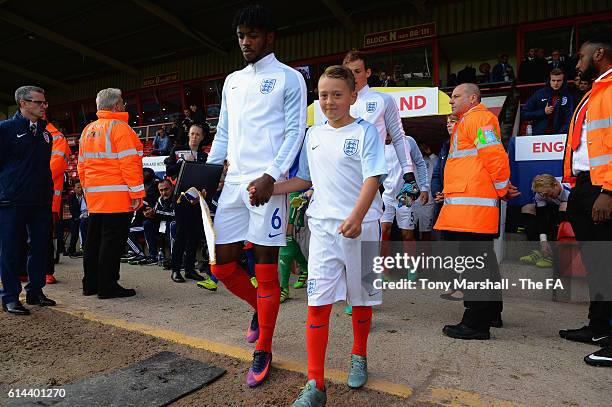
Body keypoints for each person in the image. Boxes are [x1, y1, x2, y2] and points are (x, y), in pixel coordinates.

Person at [272, 65, 387, 407]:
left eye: (337, 94)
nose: (329, 101)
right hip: (322, 229)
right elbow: (305, 180)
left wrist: (357, 215)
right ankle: (315, 385)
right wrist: (272, 189)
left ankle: (359, 354)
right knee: (317, 305)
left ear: (353, 96)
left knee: (361, 299)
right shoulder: (313, 135)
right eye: (323, 95)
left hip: (363, 229)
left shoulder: (366, 133)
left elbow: (373, 178)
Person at [206, 4, 307, 387]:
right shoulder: (232, 80)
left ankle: (263, 346)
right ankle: (260, 309)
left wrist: (272, 175)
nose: (245, 42)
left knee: (266, 273)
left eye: (252, 35)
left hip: (267, 186)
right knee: (222, 267)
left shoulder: (289, 78)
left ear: (270, 37)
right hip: (233, 185)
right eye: (240, 36)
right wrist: (209, 172)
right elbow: (224, 133)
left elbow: (295, 132)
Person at [434, 83, 511, 340]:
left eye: (456, 96)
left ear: (473, 97)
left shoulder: (479, 119)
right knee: (484, 264)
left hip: (472, 209)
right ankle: (490, 314)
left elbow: (494, 156)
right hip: (469, 207)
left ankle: (475, 323)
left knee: (474, 266)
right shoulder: (470, 121)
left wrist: (502, 188)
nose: (451, 101)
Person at [560, 35, 612, 367]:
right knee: (597, 264)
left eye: (581, 57)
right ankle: (599, 328)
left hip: (602, 188)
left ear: (600, 54)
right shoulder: (594, 92)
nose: (577, 63)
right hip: (584, 186)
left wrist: (608, 191)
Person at [77, 88, 144, 299]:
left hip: (96, 197)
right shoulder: (121, 128)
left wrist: (89, 192)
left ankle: (91, 285)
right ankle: (108, 286)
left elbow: (81, 166)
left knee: (94, 241)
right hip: (117, 196)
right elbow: (130, 164)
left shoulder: (88, 129)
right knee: (112, 243)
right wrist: (136, 192)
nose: (124, 106)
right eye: (122, 103)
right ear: (116, 106)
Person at [0, 85, 56, 315]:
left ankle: (35, 291)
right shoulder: (5, 129)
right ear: (23, 103)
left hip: (40, 200)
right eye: (38, 102)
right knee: (10, 249)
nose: (43, 106)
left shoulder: (45, 134)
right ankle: (10, 296)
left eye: (44, 102)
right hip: (12, 201)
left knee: (41, 247)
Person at [164, 123, 208, 282]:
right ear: (188, 135)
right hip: (181, 198)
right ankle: (175, 270)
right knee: (181, 234)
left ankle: (190, 269)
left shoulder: (204, 156)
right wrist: (182, 162)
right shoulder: (177, 150)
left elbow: (206, 177)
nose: (195, 136)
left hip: (197, 199)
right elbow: (169, 171)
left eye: (198, 134)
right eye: (192, 133)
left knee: (195, 235)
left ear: (202, 137)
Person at [519, 174, 569, 268]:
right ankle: (539, 251)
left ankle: (553, 254)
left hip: (566, 214)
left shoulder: (569, 189)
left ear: (556, 185)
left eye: (549, 194)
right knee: (527, 208)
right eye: (545, 196)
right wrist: (543, 241)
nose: (548, 197)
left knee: (564, 206)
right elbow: (541, 217)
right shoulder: (541, 194)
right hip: (550, 212)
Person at [46, 122, 71, 284]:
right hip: (22, 194)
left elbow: (57, 164)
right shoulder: (17, 130)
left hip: (45, 197)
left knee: (43, 236)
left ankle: (46, 271)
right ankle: (21, 269)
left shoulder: (56, 137)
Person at [521, 68, 574, 135]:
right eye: (553, 80)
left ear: (563, 81)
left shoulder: (568, 96)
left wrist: (560, 134)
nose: (556, 83)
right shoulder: (539, 94)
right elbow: (524, 114)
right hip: (539, 136)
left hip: (559, 136)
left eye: (559, 81)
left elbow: (569, 119)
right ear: (549, 81)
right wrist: (543, 112)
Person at [143, 178, 176, 267]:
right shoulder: (160, 199)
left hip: (176, 226)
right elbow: (158, 214)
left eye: (166, 189)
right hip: (163, 225)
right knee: (147, 224)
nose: (164, 193)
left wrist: (156, 213)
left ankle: (175, 259)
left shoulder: (177, 197)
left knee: (172, 224)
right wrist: (151, 215)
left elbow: (174, 215)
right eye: (161, 190)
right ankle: (153, 256)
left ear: (172, 187)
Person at [67, 180, 88, 257]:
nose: (80, 189)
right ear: (74, 188)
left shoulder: (87, 195)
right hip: (77, 217)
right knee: (74, 226)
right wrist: (79, 216)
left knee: (84, 223)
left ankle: (85, 247)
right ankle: (71, 250)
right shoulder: (71, 197)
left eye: (81, 187)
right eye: (78, 187)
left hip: (87, 217)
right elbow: (72, 210)